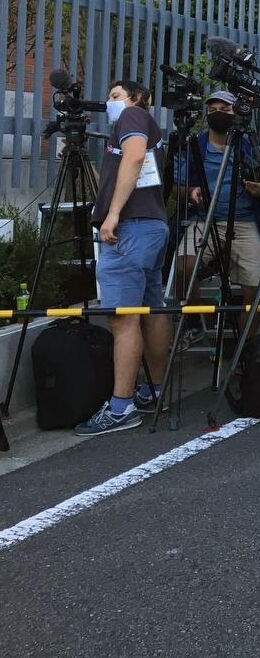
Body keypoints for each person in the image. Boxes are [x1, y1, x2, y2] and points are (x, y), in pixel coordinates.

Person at [75, 80, 171, 435]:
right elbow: (122, 175)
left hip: (129, 230)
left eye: (115, 95)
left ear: (137, 99)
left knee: (123, 317)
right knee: (152, 308)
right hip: (150, 226)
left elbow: (133, 157)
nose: (110, 102)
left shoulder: (132, 117)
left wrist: (113, 213)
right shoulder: (141, 123)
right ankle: (154, 390)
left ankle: (120, 406)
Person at [175, 90, 260, 335]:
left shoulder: (249, 145)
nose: (218, 114)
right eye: (213, 110)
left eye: (225, 109)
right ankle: (194, 321)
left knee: (257, 286)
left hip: (245, 222)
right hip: (205, 221)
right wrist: (191, 191)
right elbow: (176, 186)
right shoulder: (195, 146)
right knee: (183, 266)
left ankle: (246, 346)